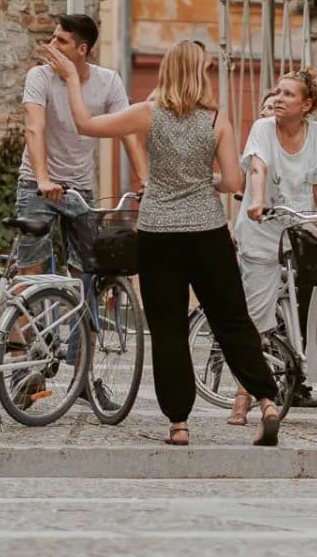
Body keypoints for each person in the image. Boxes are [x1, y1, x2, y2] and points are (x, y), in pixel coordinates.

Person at [43, 38, 283, 448]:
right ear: (201, 73)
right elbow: (233, 182)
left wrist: (69, 78)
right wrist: (201, 181)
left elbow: (86, 125)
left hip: (160, 233)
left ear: (166, 72)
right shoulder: (216, 119)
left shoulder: (147, 114)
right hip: (208, 232)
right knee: (232, 320)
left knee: (168, 327)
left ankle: (179, 425)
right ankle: (266, 401)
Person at [232, 68, 317, 422]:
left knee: (310, 297)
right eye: (276, 91)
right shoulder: (263, 129)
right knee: (257, 316)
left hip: (299, 226)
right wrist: (257, 201)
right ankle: (244, 395)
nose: (277, 98)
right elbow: (257, 168)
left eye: (287, 94)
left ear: (306, 105)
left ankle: (302, 370)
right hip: (262, 228)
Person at [14, 14, 144, 274]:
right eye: (52, 37)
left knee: (86, 269)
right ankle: (23, 314)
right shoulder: (39, 77)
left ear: (82, 49)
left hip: (80, 187)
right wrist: (42, 179)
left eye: (61, 41)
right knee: (31, 271)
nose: (52, 45)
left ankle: (79, 315)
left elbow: (127, 132)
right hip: (37, 184)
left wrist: (145, 180)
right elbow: (33, 128)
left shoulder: (108, 81)